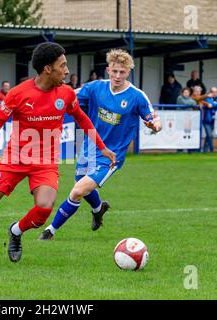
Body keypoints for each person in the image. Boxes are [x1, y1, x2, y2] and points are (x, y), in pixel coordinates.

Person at [0, 42, 116, 265]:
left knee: (43, 209)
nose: (67, 70)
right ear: (47, 69)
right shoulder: (18, 94)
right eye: (63, 65)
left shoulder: (67, 94)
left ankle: (16, 231)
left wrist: (102, 146)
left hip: (46, 161)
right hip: (16, 157)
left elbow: (82, 118)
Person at [38, 49, 162, 240]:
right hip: (89, 147)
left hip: (110, 156)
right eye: (115, 71)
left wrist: (155, 126)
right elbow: (68, 95)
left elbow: (154, 118)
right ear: (108, 70)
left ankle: (50, 231)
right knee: (83, 186)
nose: (118, 76)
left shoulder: (137, 96)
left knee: (78, 190)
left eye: (122, 72)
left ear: (128, 72)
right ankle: (98, 209)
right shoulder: (95, 88)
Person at [202, 87, 217, 152]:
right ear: (210, 92)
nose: (215, 93)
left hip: (214, 120)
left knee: (208, 136)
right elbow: (209, 103)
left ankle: (205, 150)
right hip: (207, 120)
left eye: (216, 92)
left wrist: (215, 104)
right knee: (209, 135)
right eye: (213, 92)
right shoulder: (207, 97)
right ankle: (212, 149)